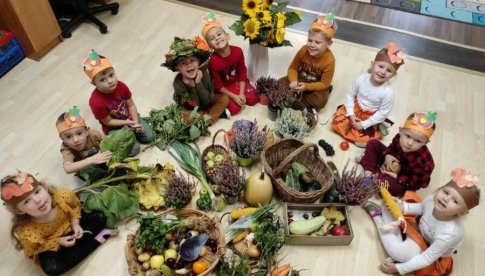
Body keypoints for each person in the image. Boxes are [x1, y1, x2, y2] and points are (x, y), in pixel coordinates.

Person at [365, 168, 480, 275]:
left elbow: (427, 258)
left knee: (398, 252)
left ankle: (378, 220)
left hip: (429, 246)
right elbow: (421, 208)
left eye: (455, 201)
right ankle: (393, 233)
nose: (446, 199)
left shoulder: (449, 233)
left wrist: (400, 269)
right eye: (446, 192)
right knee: (387, 205)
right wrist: (403, 207)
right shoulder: (432, 200)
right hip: (419, 229)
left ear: (460, 213)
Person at [1, 171, 118, 275]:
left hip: (71, 226)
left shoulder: (62, 196)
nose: (38, 201)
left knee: (100, 217)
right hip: (53, 244)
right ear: (19, 211)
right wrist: (58, 241)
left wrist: (75, 224)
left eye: (37, 192)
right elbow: (34, 249)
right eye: (27, 202)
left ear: (45, 187)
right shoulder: (26, 231)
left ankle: (75, 247)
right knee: (52, 268)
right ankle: (97, 240)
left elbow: (75, 206)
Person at [331, 42, 406, 147]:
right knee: (336, 124)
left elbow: (383, 113)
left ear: (393, 75)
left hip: (371, 117)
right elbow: (350, 95)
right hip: (356, 109)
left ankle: (360, 137)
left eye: (389, 70)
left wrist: (363, 124)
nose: (383, 72)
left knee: (364, 140)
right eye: (380, 66)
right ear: (372, 65)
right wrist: (351, 115)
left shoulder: (388, 92)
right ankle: (351, 130)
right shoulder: (361, 79)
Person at [84, 50, 153, 156]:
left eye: (111, 75)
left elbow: (131, 105)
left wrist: (136, 122)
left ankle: (133, 134)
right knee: (135, 150)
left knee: (150, 137)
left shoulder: (121, 86)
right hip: (115, 128)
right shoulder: (95, 102)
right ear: (94, 83)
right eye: (102, 80)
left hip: (130, 120)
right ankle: (119, 140)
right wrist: (129, 124)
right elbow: (109, 122)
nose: (110, 81)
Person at [358, 112, 437, 197]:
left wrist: (397, 177)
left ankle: (373, 171)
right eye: (408, 136)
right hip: (392, 162)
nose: (410, 143)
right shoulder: (399, 138)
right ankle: (369, 172)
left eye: (418, 141)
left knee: (394, 187)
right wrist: (388, 155)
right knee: (373, 143)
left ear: (425, 142)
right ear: (401, 131)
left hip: (401, 179)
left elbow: (417, 184)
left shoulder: (424, 163)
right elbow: (392, 148)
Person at [201, 12, 260, 116]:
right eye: (212, 38)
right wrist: (233, 96)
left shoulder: (238, 51)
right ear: (210, 46)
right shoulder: (213, 61)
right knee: (234, 109)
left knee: (254, 98)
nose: (217, 38)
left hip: (239, 83)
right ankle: (221, 110)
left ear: (227, 36)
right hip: (226, 88)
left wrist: (241, 93)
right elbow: (218, 85)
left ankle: (237, 97)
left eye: (219, 34)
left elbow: (242, 72)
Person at [162, 36, 230, 124]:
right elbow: (194, 106)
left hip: (206, 100)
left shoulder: (204, 74)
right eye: (183, 63)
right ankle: (212, 116)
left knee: (224, 98)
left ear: (198, 62)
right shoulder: (178, 84)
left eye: (192, 60)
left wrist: (198, 83)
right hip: (191, 108)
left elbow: (207, 100)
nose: (189, 65)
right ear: (178, 68)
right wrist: (192, 86)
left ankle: (205, 118)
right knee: (185, 117)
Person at [279, 13, 337, 111]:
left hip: (316, 85)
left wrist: (306, 87)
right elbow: (293, 68)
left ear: (329, 44)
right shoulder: (303, 50)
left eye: (318, 42)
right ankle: (301, 102)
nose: (312, 45)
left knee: (320, 101)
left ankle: (295, 100)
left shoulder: (330, 61)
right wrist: (293, 81)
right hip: (301, 78)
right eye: (310, 40)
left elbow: (324, 84)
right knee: (279, 83)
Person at [56, 106, 111, 177]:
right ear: (63, 139)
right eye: (68, 137)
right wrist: (91, 160)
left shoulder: (94, 134)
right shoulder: (66, 148)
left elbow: (108, 141)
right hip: (84, 167)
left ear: (87, 131)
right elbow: (67, 168)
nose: (76, 140)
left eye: (79, 133)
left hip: (101, 156)